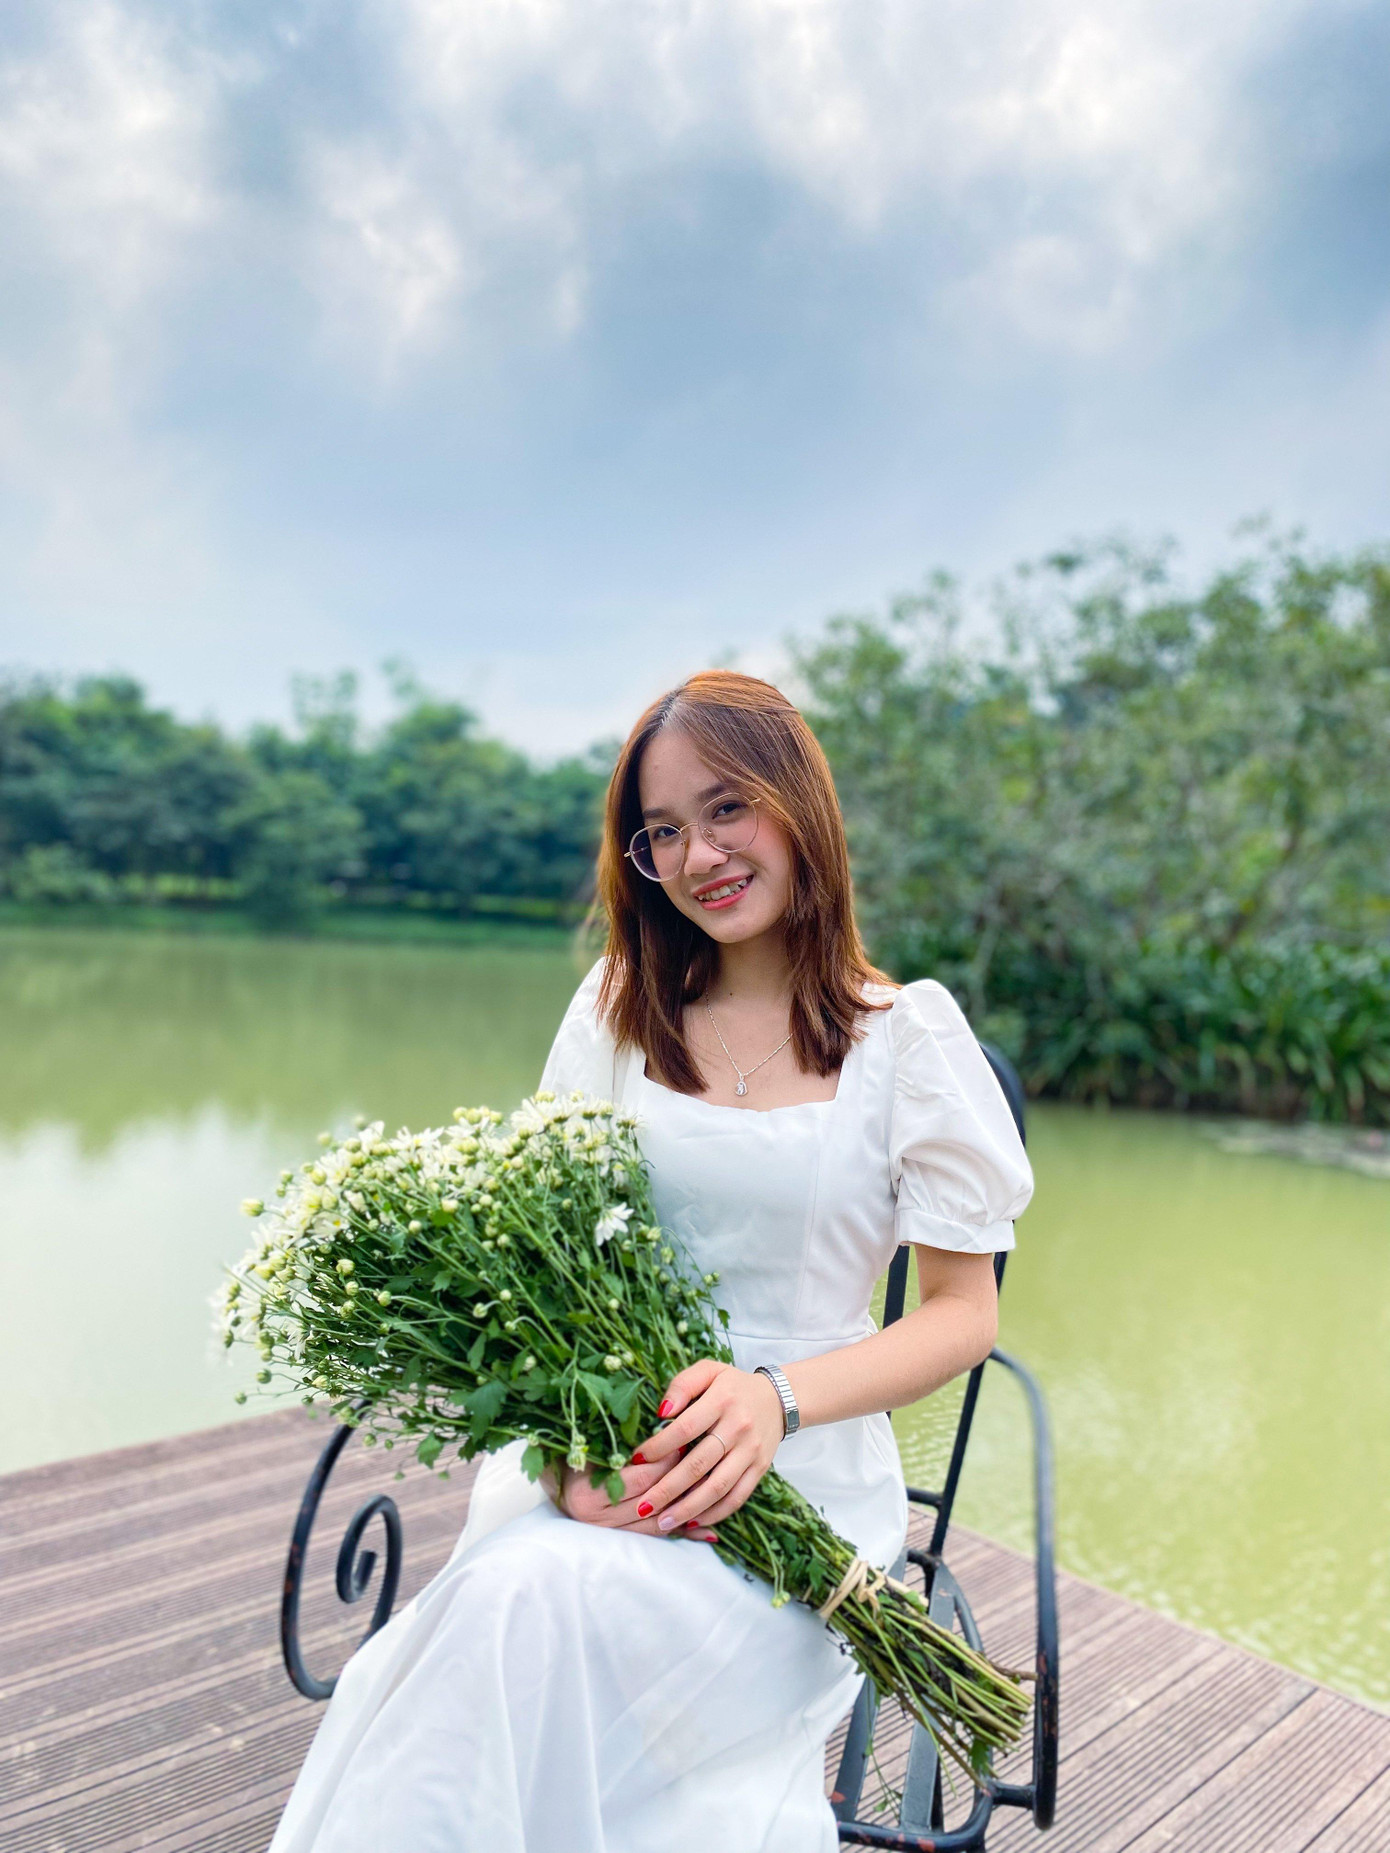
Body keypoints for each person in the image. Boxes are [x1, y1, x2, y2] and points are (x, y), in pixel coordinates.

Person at [268, 671, 1033, 1853]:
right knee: (510, 1602)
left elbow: (959, 1313)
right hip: (608, 1455)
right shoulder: (623, 1008)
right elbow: (542, 1269)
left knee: (521, 1614)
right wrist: (571, 1464)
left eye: (726, 808)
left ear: (798, 804)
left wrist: (774, 1401)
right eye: (662, 830)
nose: (697, 854)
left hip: (805, 1483)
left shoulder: (906, 1038)